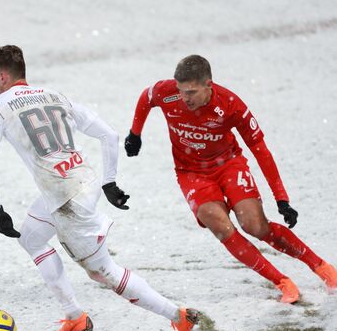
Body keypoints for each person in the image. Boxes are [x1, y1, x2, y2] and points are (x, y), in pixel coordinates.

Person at [0, 45, 199, 331]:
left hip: (67, 198)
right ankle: (74, 317)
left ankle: (178, 316)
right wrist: (109, 182)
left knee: (103, 272)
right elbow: (109, 134)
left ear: (3, 76)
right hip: (82, 181)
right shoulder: (55, 96)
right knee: (31, 238)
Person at [124, 54, 337, 304]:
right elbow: (146, 98)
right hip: (191, 173)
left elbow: (259, 148)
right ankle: (282, 281)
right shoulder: (166, 92)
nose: (185, 98)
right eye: (181, 91)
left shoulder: (230, 105)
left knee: (254, 226)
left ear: (209, 85)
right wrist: (135, 133)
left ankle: (321, 267)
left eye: (191, 92)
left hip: (228, 165)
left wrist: (282, 199)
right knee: (220, 226)